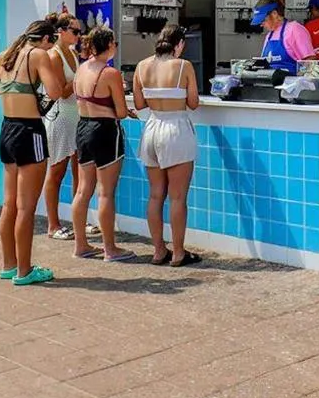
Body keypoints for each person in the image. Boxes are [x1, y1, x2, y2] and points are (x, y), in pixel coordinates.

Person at [0, 17, 68, 286]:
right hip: (29, 132)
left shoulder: (5, 56)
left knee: (10, 204)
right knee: (27, 208)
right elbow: (56, 91)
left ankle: (9, 265)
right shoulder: (39, 55)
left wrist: (9, 91)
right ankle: (25, 271)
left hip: (8, 130)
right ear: (47, 39)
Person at [133, 24, 202, 267]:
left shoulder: (142, 66)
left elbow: (140, 104)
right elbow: (193, 103)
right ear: (179, 44)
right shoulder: (184, 66)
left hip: (151, 129)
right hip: (176, 130)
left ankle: (158, 250)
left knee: (155, 196)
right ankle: (179, 253)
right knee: (177, 197)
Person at [70, 26, 134, 262]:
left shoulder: (81, 69)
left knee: (82, 190)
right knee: (105, 193)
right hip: (106, 131)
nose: (116, 46)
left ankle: (81, 245)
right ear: (108, 45)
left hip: (83, 128)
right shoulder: (110, 73)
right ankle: (110, 249)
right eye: (114, 42)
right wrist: (127, 110)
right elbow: (120, 111)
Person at [41, 14, 82, 240]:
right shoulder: (54, 56)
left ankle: (78, 219)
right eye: (75, 31)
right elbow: (60, 91)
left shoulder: (73, 54)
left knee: (79, 172)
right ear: (61, 31)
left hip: (76, 116)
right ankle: (53, 224)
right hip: (60, 117)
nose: (78, 35)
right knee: (56, 171)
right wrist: (83, 76)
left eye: (79, 31)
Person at [252, 0, 314, 77]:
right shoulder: (269, 35)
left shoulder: (294, 29)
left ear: (274, 14)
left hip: (291, 86)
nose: (261, 25)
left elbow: (309, 60)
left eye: (263, 20)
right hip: (270, 84)